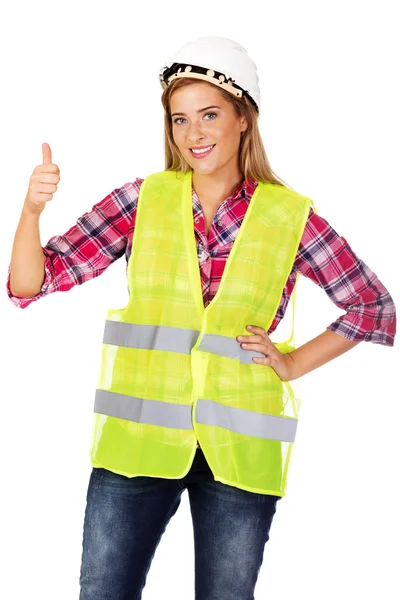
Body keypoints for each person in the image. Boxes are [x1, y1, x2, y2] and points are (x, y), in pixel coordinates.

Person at [7, 35, 396, 600]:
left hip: (238, 448)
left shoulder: (290, 216)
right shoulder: (143, 200)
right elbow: (31, 282)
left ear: (243, 118)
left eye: (210, 114)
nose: (193, 134)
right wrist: (31, 210)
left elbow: (373, 306)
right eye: (179, 119)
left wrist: (291, 363)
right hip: (137, 443)